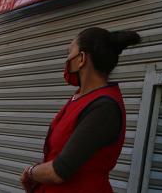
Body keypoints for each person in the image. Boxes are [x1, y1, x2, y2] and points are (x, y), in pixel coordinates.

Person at [20, 27, 140, 193]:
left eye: (69, 52)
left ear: (81, 58)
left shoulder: (104, 107)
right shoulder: (80, 98)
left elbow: (59, 170)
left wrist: (31, 172)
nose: (67, 59)